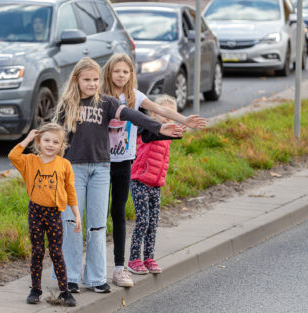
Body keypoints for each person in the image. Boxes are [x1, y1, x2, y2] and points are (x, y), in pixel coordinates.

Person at [51, 57, 185, 294]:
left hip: (102, 168)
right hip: (74, 169)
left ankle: (95, 278)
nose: (92, 84)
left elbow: (133, 116)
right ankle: (70, 276)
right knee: (72, 221)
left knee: (97, 224)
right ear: (77, 80)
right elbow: (55, 137)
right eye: (87, 80)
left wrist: (159, 127)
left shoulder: (107, 102)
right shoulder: (67, 105)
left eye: (94, 79)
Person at [100, 53, 206, 287]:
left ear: (131, 75)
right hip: (100, 161)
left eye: (126, 72)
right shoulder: (101, 96)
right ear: (109, 72)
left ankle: (121, 267)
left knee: (118, 212)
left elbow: (160, 109)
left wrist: (185, 120)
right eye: (117, 71)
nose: (121, 75)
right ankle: (93, 270)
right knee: (97, 216)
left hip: (123, 162)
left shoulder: (134, 97)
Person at [8, 123, 81, 306]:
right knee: (38, 251)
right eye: (46, 140)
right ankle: (35, 289)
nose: (50, 144)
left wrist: (76, 214)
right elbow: (13, 155)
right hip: (36, 212)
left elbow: (70, 190)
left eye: (55, 142)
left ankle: (64, 291)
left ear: (61, 146)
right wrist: (28, 138)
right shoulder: (30, 161)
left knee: (56, 252)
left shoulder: (64, 164)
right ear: (39, 142)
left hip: (54, 213)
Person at [127, 95, 179, 275]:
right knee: (143, 220)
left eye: (172, 116)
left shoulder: (167, 134)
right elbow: (151, 135)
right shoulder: (147, 130)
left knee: (153, 222)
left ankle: (149, 258)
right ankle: (134, 259)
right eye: (163, 113)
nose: (167, 119)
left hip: (156, 184)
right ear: (152, 113)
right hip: (140, 181)